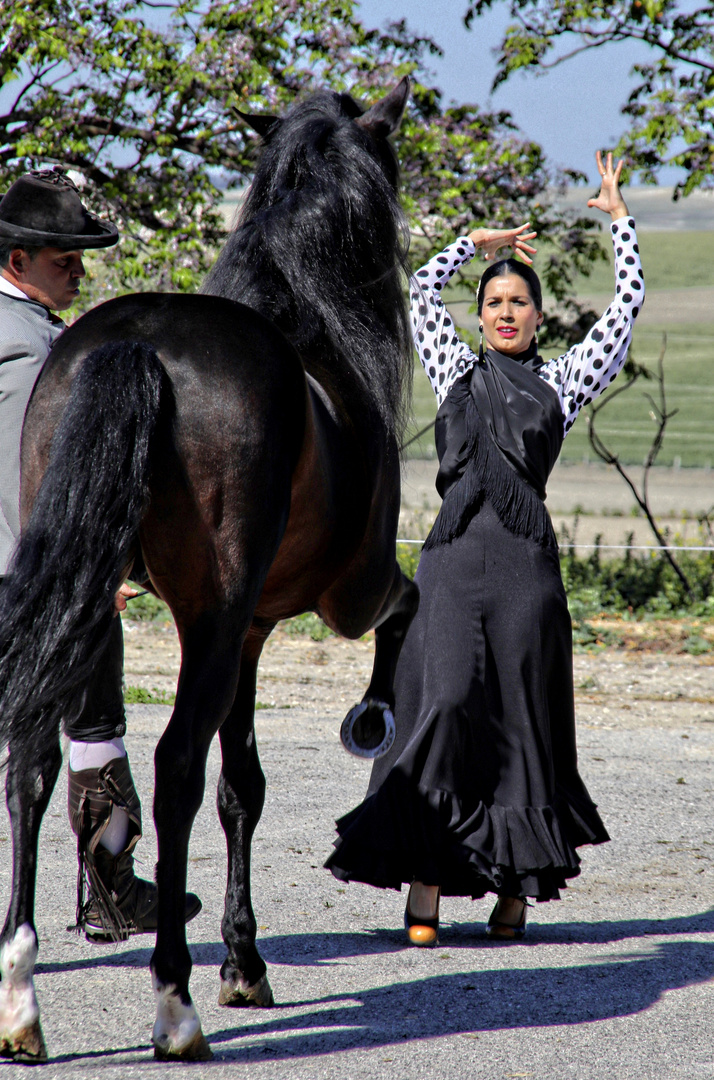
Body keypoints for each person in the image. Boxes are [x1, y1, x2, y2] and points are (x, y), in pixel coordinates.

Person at [326, 152, 643, 945]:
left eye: (519, 303)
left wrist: (620, 223)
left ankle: (516, 891)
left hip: (526, 577)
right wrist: (473, 242)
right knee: (443, 708)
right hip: (453, 568)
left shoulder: (564, 382)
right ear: (481, 316)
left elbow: (627, 307)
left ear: (538, 317)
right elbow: (419, 289)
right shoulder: (454, 368)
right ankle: (425, 883)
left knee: (522, 720)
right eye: (495, 302)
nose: (506, 311)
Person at [0, 168, 201, 940]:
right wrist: (93, 565)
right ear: (17, 261)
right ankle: (112, 890)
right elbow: (39, 480)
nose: (79, 270)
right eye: (64, 258)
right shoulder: (35, 351)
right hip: (42, 572)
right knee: (95, 736)